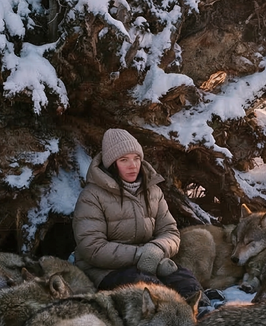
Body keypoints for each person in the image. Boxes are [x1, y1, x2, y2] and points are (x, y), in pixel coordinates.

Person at [72, 128, 208, 310]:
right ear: (112, 164)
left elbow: (170, 231)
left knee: (185, 281)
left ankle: (203, 316)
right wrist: (140, 255)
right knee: (153, 292)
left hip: (152, 260)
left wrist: (156, 249)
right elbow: (92, 247)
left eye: (136, 158)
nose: (133, 165)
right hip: (105, 270)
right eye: (124, 160)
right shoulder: (92, 196)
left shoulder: (153, 191)